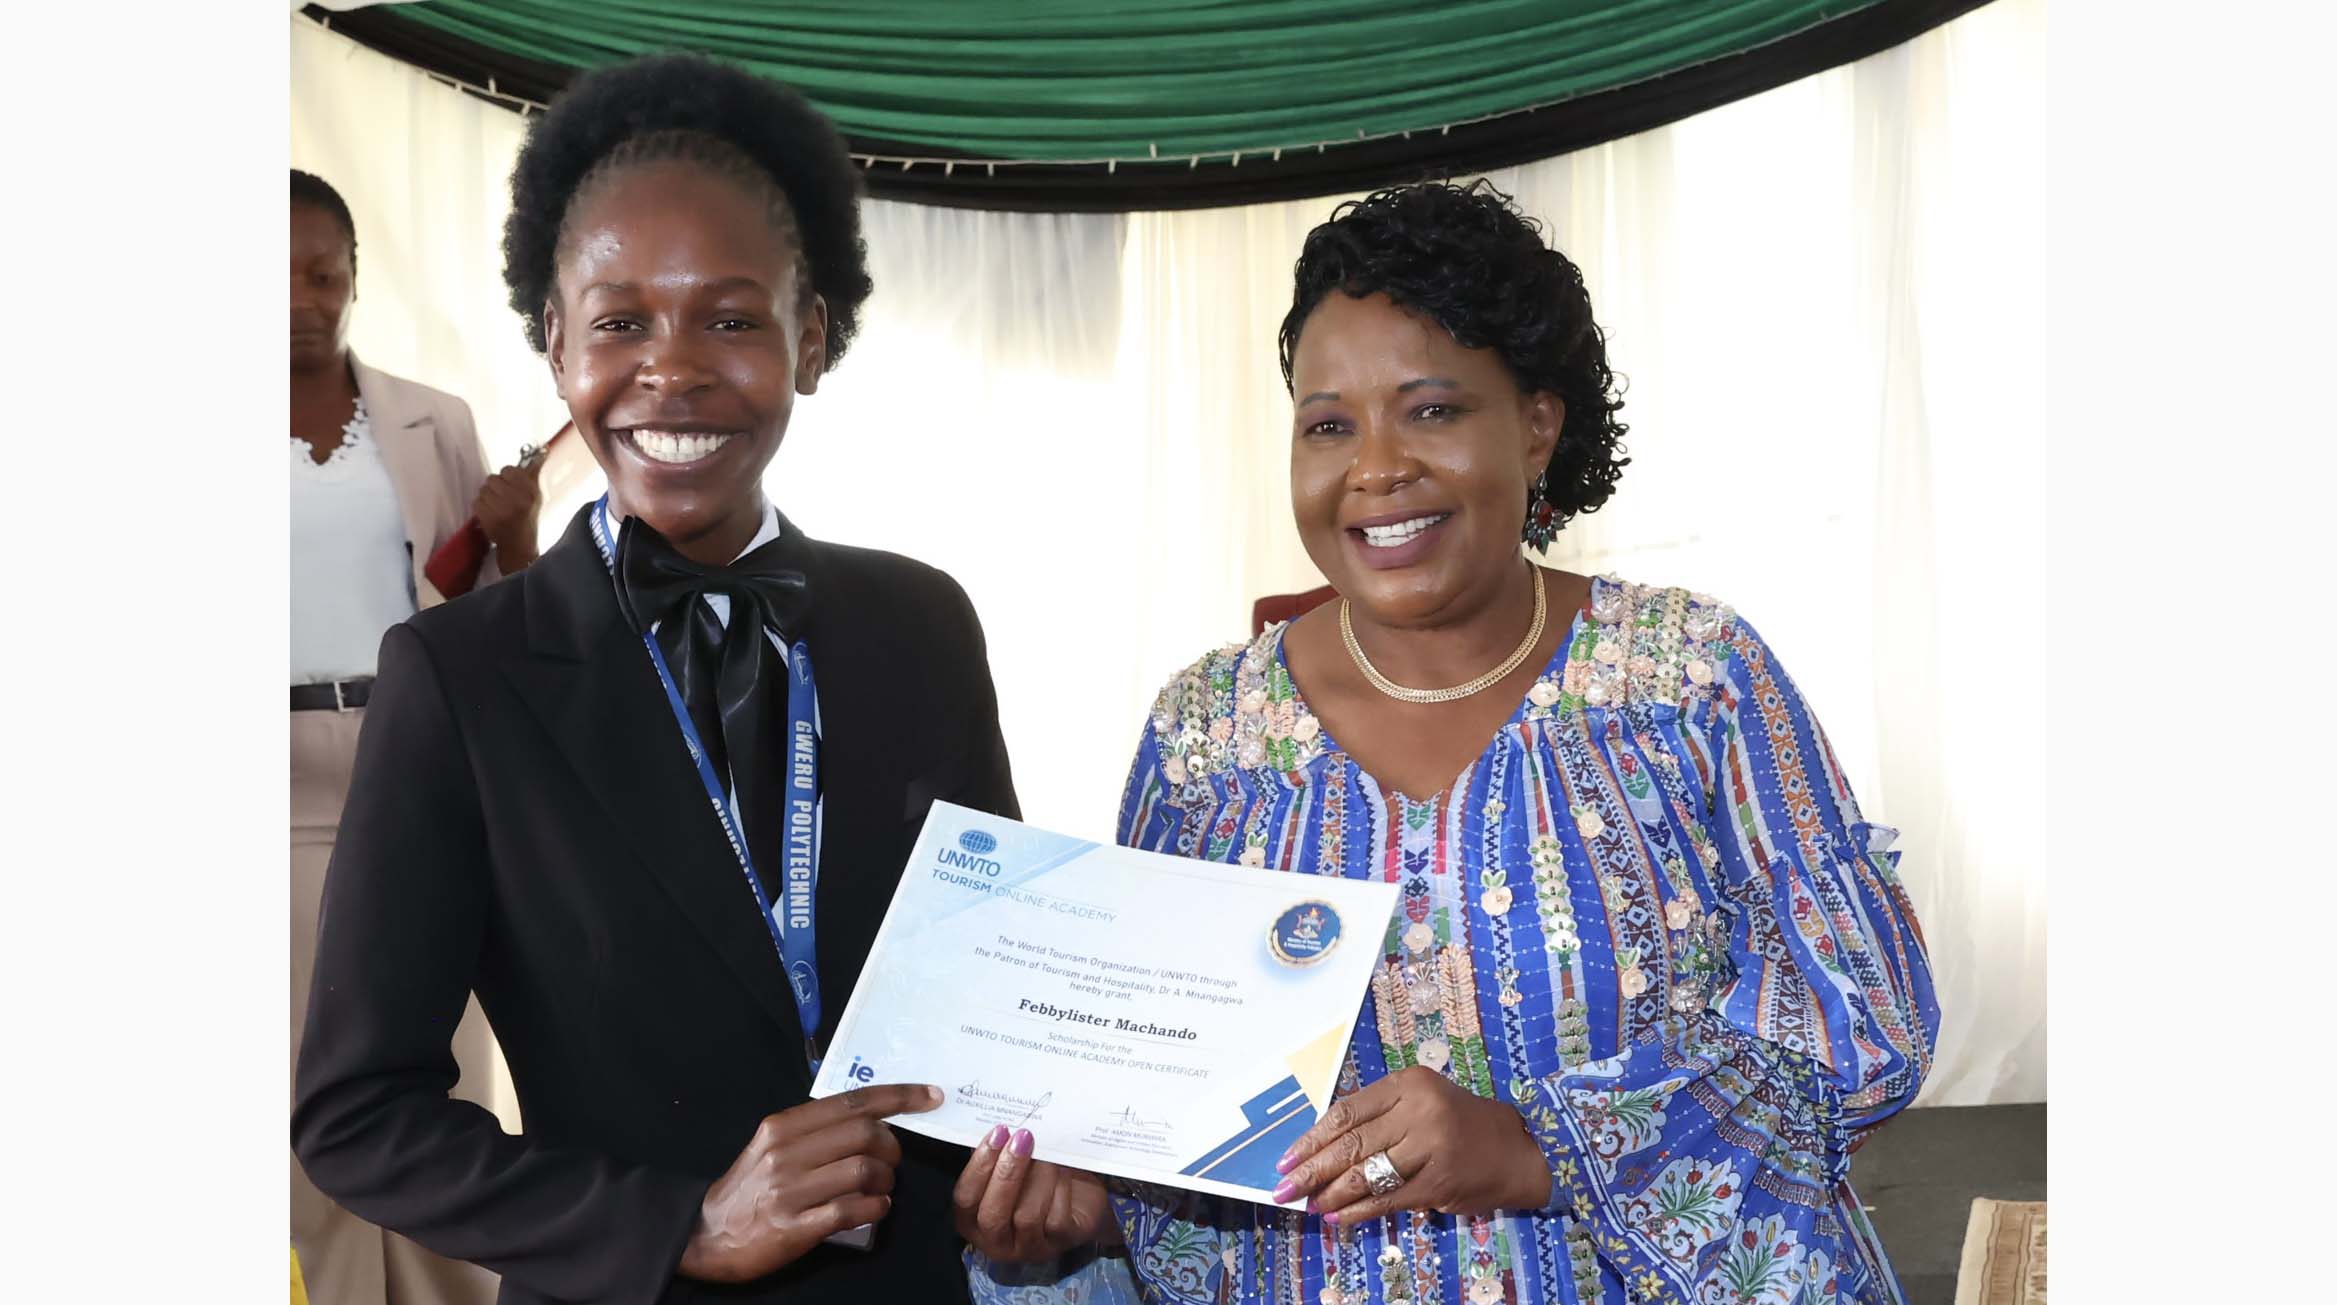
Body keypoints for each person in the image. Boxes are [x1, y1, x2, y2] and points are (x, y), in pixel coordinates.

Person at [958, 181, 1939, 1305]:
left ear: (1536, 422)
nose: (1375, 467)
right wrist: (1082, 1195)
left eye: (1430, 410)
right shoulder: (1205, 737)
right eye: (1329, 424)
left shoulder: (1690, 679)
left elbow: (1861, 1018)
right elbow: (1150, 1082)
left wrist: (1538, 1146)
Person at [292, 55, 1018, 1304]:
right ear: (555, 343)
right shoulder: (459, 677)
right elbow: (358, 1113)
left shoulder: (923, 621)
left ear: (810, 337)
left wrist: (1032, 1164)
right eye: (620, 321)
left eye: (731, 319)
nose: (671, 371)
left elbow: (1001, 992)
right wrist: (680, 1225)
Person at [291, 167, 541, 1305]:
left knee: (432, 1072)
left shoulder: (432, 421)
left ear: (353, 279)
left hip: (413, 770)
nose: (299, 295)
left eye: (322, 271)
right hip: (268, 789)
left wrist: (518, 530)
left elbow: (501, 621)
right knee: (305, 1087)